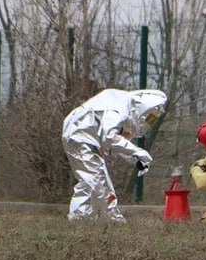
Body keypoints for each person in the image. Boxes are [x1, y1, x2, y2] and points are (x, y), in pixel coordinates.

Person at [61, 88, 168, 222]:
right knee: (97, 181)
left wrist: (135, 160)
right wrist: (137, 152)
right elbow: (109, 137)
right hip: (81, 137)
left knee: (91, 181)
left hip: (80, 137)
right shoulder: (119, 107)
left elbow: (114, 140)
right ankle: (112, 220)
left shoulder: (120, 102)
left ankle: (82, 219)